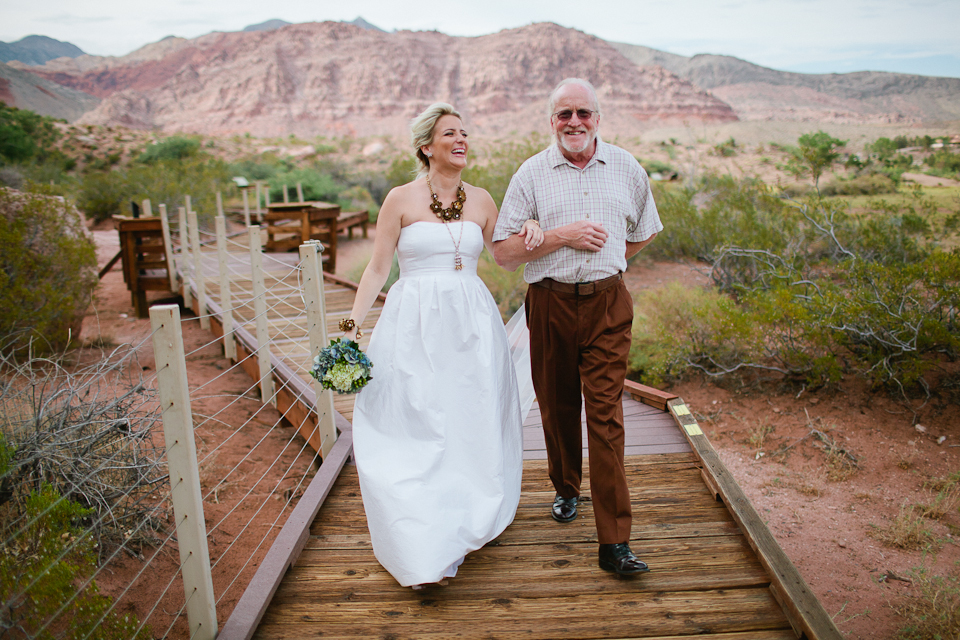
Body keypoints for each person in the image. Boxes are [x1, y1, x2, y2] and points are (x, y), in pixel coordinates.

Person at [342, 103, 544, 588]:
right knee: (418, 417)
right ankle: (420, 532)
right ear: (426, 146)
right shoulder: (400, 199)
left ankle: (467, 512)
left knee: (467, 414)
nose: (461, 140)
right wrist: (350, 326)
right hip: (412, 324)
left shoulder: (481, 200)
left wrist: (533, 231)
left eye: (465, 133)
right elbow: (376, 269)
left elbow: (504, 255)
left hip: (472, 325)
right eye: (449, 134)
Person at [492, 78, 662, 576]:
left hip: (608, 306)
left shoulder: (626, 167)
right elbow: (503, 252)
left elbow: (643, 233)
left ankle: (614, 543)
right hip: (549, 305)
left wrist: (608, 261)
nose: (574, 122)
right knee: (558, 405)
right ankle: (566, 487)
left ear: (598, 119)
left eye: (583, 113)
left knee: (606, 416)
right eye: (564, 113)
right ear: (551, 121)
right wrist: (562, 237)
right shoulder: (531, 174)